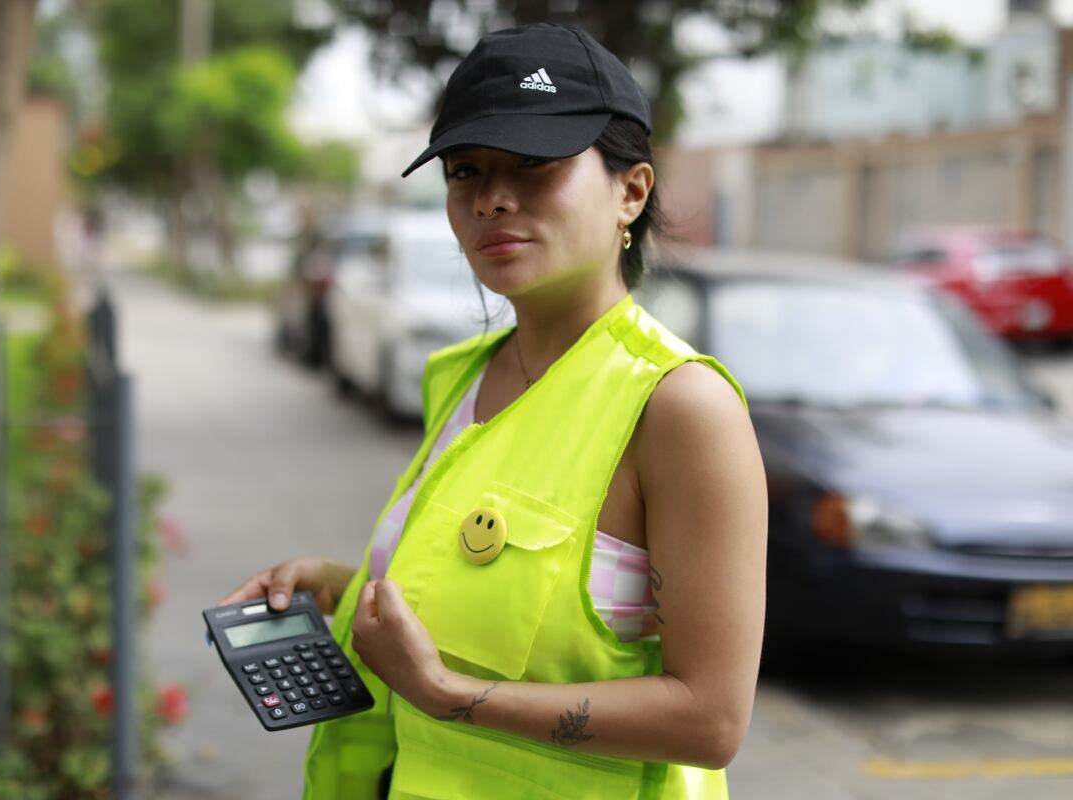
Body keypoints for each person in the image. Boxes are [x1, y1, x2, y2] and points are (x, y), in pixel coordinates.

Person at [220, 22, 767, 800]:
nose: (492, 198)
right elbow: (502, 602)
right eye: (466, 170)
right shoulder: (464, 379)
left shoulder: (679, 407)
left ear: (632, 191)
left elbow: (710, 720)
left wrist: (447, 696)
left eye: (535, 165)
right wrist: (350, 589)